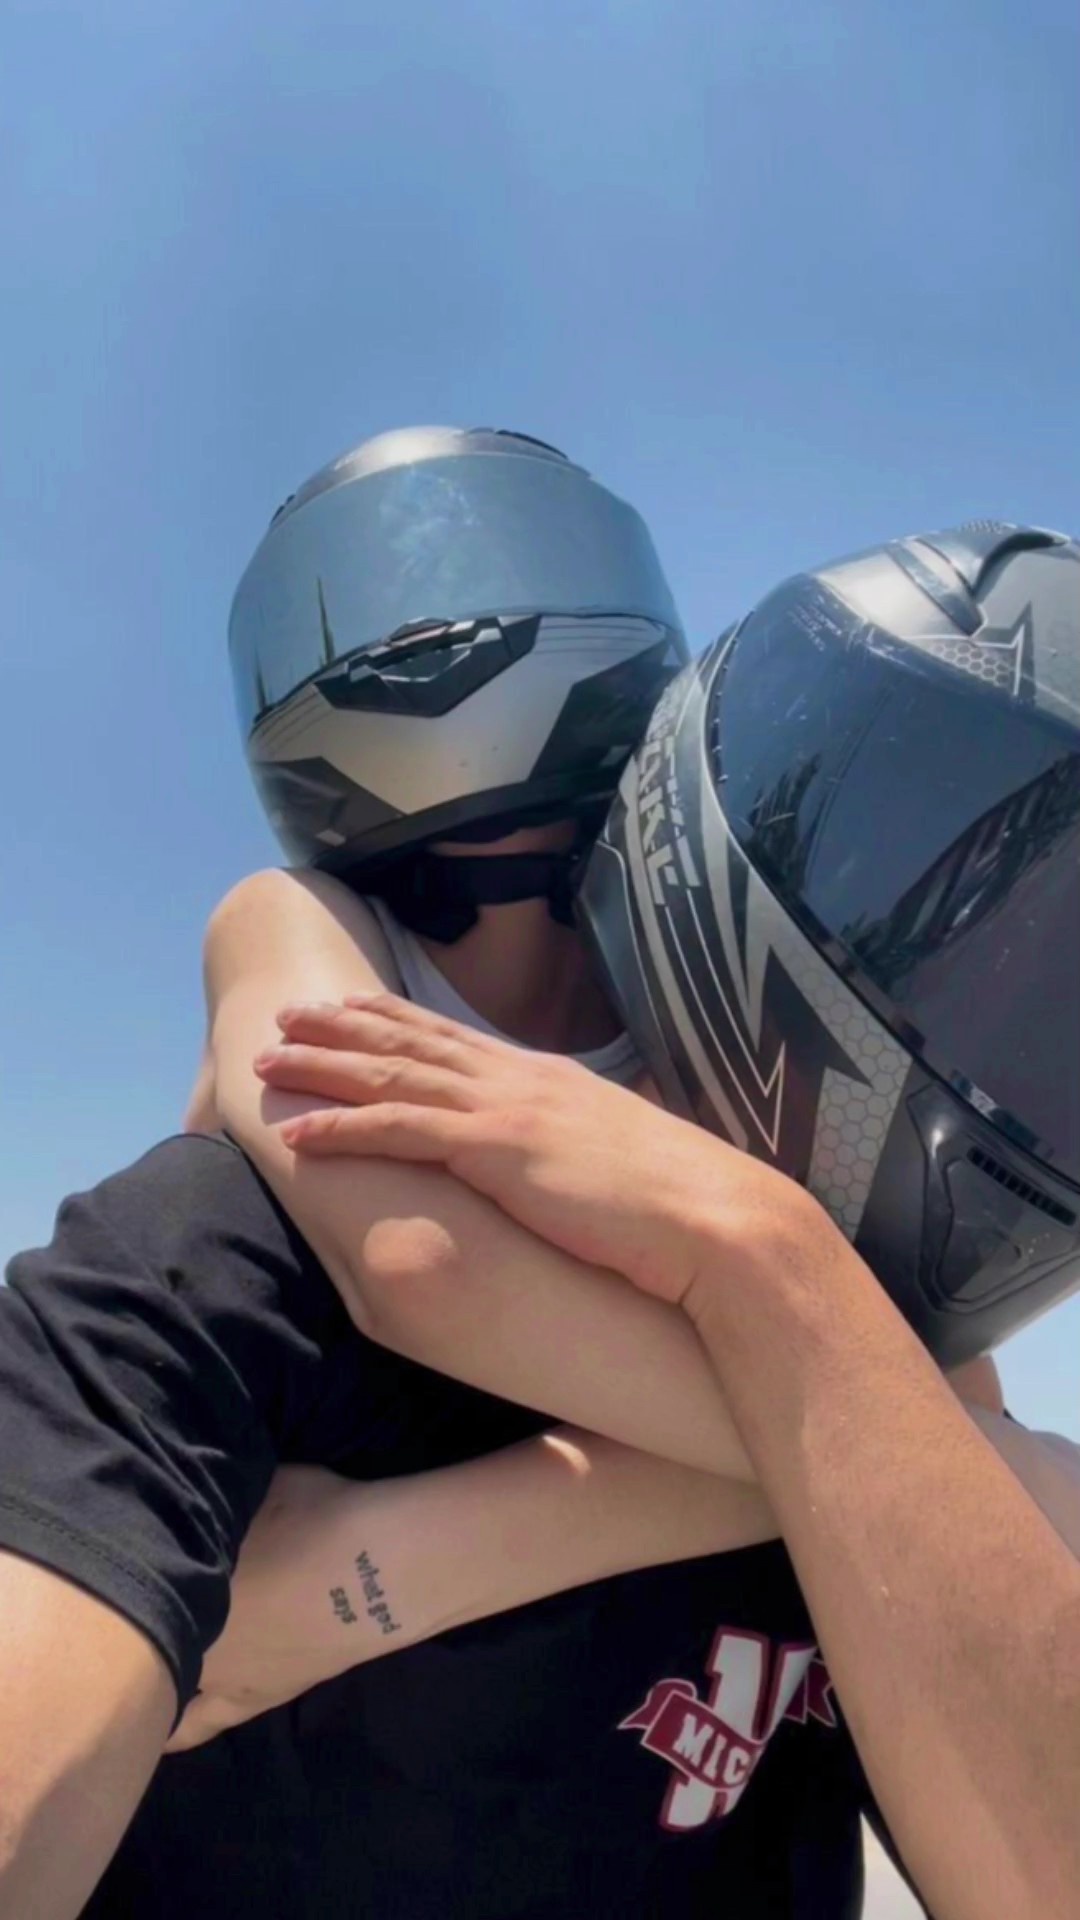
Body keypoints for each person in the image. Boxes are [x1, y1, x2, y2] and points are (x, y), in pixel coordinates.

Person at [0, 431, 1072, 1919]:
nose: (448, 651)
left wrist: (382, 1572)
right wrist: (868, 1415)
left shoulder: (768, 1133)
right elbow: (410, 1253)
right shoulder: (293, 966)